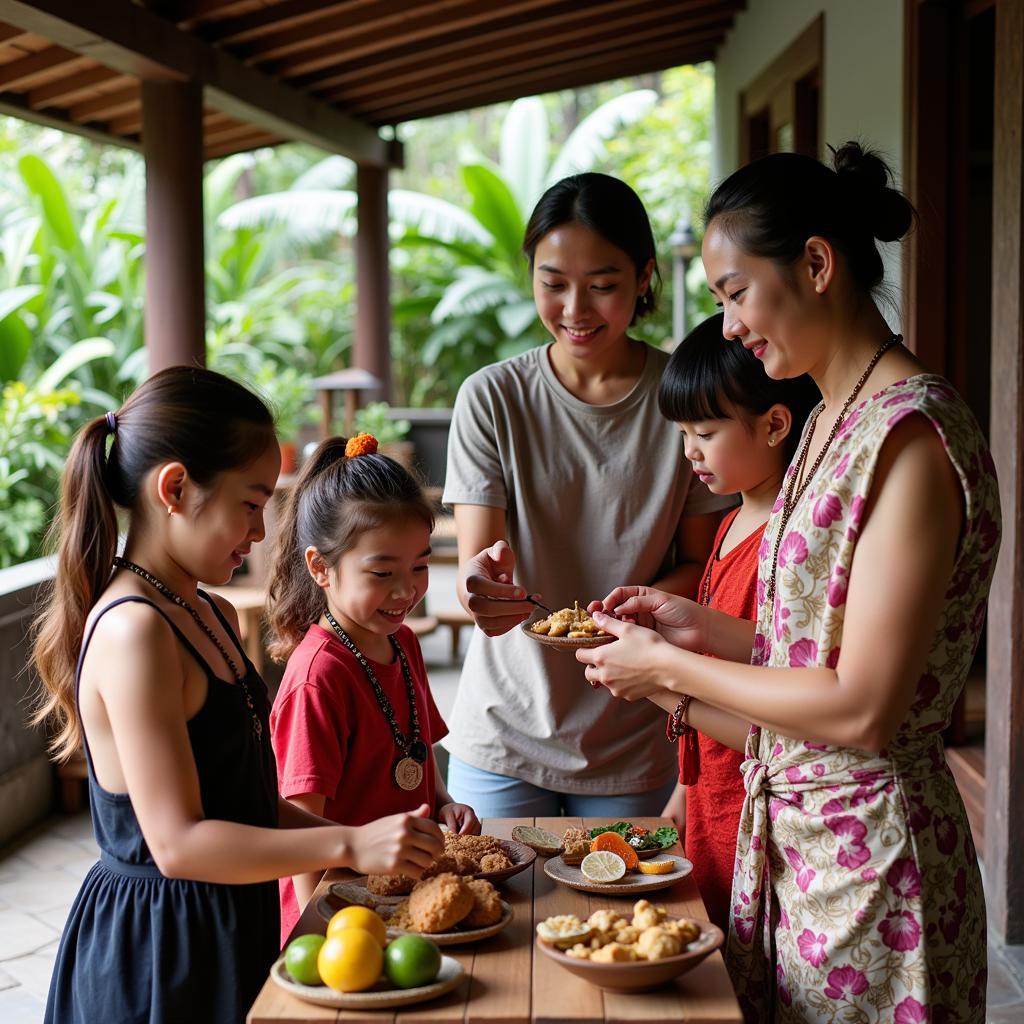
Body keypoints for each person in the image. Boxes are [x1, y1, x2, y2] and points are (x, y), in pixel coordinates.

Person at [577, 144, 1000, 1022]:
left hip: (873, 866)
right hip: (801, 849)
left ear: (815, 264)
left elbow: (862, 707)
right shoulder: (825, 423)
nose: (726, 324)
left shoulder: (909, 437)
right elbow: (813, 639)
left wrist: (668, 673)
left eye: (734, 293)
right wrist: (693, 627)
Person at [31, 369, 443, 1024]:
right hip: (164, 948)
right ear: (175, 489)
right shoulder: (136, 629)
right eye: (250, 505)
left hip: (228, 920)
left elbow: (248, 801)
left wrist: (359, 837)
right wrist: (346, 847)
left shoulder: (210, 613)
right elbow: (178, 845)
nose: (258, 532)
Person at [442, 172, 735, 817]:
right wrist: (482, 587)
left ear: (644, 278)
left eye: (602, 286)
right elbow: (478, 565)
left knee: (626, 914)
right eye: (553, 284)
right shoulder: (492, 397)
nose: (576, 309)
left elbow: (701, 567)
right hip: (505, 729)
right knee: (490, 907)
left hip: (634, 729)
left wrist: (631, 611)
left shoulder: (685, 399)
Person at [266, 433, 479, 944]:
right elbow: (297, 829)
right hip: (341, 918)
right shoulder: (318, 677)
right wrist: (316, 932)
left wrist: (444, 800)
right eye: (383, 572)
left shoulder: (402, 642)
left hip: (406, 897)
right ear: (321, 567)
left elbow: (417, 751)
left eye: (420, 566)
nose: (407, 590)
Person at [654, 312, 819, 935]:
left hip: (759, 808)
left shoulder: (788, 542)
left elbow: (772, 718)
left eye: (706, 431)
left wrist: (659, 686)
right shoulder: (726, 525)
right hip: (708, 803)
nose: (690, 451)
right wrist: (678, 802)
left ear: (776, 424)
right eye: (682, 433)